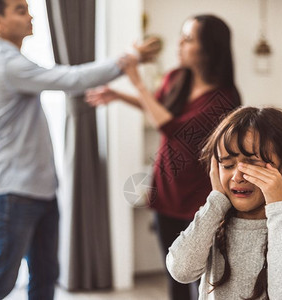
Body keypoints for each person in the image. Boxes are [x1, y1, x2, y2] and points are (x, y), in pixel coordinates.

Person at [0, 0, 160, 299]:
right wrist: (127, 58)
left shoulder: (15, 61)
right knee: (1, 281)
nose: (30, 14)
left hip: (40, 191)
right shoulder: (8, 64)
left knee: (46, 278)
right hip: (14, 193)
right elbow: (71, 80)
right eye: (20, 10)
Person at [86, 14, 241, 300]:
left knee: (204, 280)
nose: (179, 43)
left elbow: (172, 127)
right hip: (166, 190)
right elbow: (159, 108)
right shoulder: (176, 78)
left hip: (202, 200)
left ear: (208, 49)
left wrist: (137, 84)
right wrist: (120, 96)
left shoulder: (225, 99)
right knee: (175, 275)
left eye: (188, 38)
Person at [166, 106, 282, 299]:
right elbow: (181, 271)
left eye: (252, 164)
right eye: (228, 165)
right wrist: (216, 201)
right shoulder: (213, 220)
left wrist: (279, 206)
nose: (237, 176)